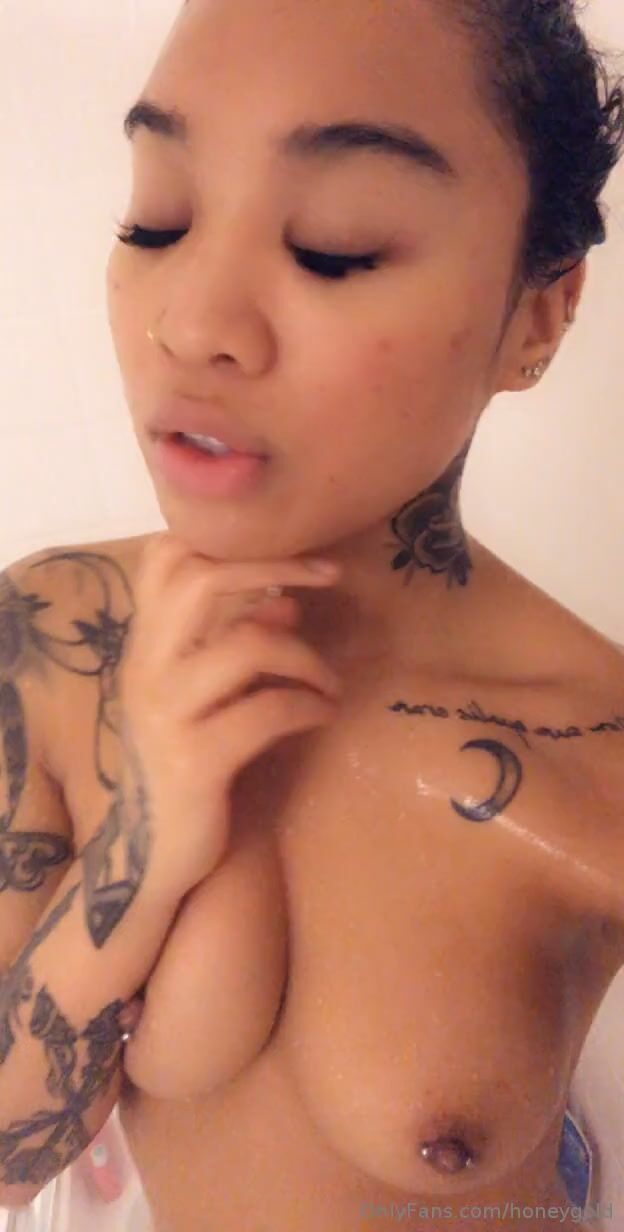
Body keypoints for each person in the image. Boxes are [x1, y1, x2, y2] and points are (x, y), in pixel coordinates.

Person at [1, 0, 624, 1228]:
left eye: (336, 247)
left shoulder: (593, 757)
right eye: (157, 218)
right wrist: (141, 844)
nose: (191, 325)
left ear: (539, 315)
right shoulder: (53, 635)